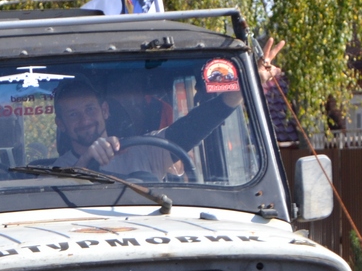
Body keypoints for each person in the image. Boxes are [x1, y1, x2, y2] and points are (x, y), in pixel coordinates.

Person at [54, 37, 284, 177]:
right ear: (61, 124)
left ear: (104, 111)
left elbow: (196, 125)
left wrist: (248, 84)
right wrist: (87, 160)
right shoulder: (56, 172)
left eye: (90, 109)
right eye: (73, 114)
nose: (84, 120)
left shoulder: (144, 151)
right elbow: (58, 201)